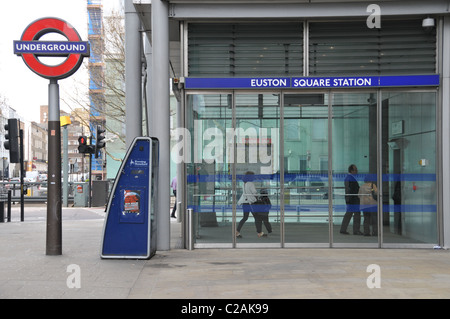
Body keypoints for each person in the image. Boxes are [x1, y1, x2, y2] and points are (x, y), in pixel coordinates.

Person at [340, 164, 363, 235]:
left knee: (349, 214)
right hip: (353, 199)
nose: (357, 171)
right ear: (351, 170)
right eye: (355, 170)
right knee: (356, 215)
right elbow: (349, 190)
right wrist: (349, 199)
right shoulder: (350, 178)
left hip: (351, 199)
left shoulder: (350, 177)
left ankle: (343, 229)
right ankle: (356, 230)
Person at [236, 171, 257, 238]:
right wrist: (257, 196)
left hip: (245, 203)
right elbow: (254, 192)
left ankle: (237, 231)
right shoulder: (251, 184)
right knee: (256, 217)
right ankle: (259, 232)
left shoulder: (244, 183)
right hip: (250, 202)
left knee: (245, 217)